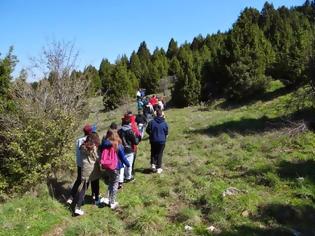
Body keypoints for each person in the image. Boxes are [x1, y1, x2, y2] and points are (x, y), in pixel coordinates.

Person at [100, 129, 130, 209]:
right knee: (115, 183)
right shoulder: (118, 145)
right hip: (115, 167)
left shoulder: (104, 144)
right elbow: (122, 157)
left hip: (107, 166)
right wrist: (128, 164)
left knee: (111, 181)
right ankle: (112, 202)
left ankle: (107, 198)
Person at [73, 133, 102, 215]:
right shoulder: (94, 147)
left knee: (84, 188)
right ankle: (96, 200)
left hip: (85, 170)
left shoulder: (82, 147)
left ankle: (78, 206)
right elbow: (97, 158)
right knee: (96, 184)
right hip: (93, 169)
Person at [67, 124, 93, 205]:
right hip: (86, 165)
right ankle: (81, 200)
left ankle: (71, 198)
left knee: (78, 180)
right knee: (86, 182)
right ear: (90, 132)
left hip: (79, 163)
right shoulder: (90, 142)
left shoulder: (79, 140)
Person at [118, 115, 140, 186]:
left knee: (122, 164)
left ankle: (121, 178)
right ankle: (128, 177)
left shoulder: (119, 131)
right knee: (129, 164)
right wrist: (138, 138)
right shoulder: (130, 131)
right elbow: (135, 142)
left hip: (121, 149)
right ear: (129, 123)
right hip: (129, 150)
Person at [146, 109, 168, 174]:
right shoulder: (164, 123)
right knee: (160, 153)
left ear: (156, 114)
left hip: (153, 140)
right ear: (162, 115)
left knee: (153, 151)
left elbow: (147, 130)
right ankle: (159, 167)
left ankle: (153, 164)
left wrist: (151, 134)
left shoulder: (151, 122)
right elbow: (166, 132)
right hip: (162, 140)